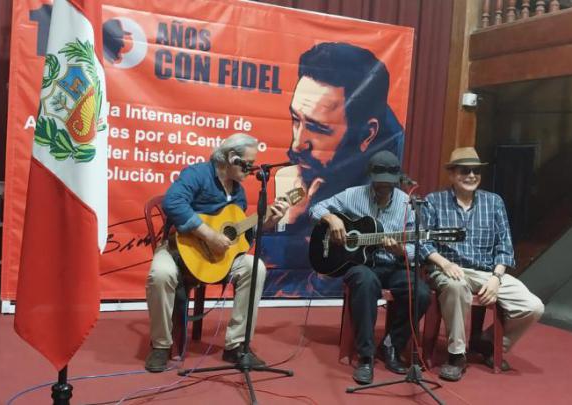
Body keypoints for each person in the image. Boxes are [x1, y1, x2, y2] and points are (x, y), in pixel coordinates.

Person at [265, 42, 406, 297]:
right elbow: (269, 281)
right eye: (296, 120)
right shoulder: (298, 175)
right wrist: (287, 225)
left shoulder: (378, 179)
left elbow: (332, 283)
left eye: (317, 128)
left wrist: (298, 232)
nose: (297, 144)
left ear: (367, 134)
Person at [144, 133, 289, 373]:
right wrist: (208, 235)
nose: (252, 169)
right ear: (231, 158)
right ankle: (161, 345)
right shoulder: (197, 173)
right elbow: (173, 203)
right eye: (248, 164)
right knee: (160, 274)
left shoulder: (239, 193)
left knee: (255, 267)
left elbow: (240, 237)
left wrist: (268, 222)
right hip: (178, 249)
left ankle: (236, 346)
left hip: (217, 260)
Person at [422, 147, 544, 382]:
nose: (471, 175)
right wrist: (444, 263)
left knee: (533, 306)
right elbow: (422, 242)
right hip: (449, 269)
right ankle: (456, 355)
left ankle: (488, 343)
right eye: (464, 170)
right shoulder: (433, 201)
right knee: (456, 286)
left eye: (476, 171)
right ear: (452, 174)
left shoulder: (494, 202)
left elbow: (505, 247)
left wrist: (496, 278)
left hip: (487, 272)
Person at [309, 151, 430, 385]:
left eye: (388, 183)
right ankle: (366, 356)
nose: (383, 187)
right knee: (364, 282)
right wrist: (331, 219)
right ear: (370, 177)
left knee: (422, 293)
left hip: (393, 265)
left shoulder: (408, 204)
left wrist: (401, 251)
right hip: (361, 265)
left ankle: (392, 344)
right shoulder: (352, 195)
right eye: (379, 182)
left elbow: (417, 246)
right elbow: (315, 208)